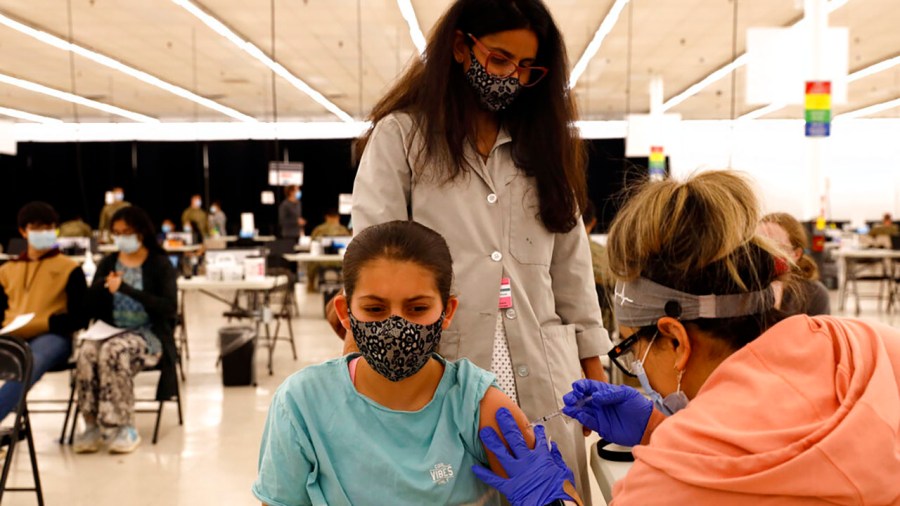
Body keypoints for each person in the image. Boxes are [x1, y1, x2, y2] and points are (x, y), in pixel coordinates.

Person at [480, 170, 900, 505]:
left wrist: (553, 498)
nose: (635, 367)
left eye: (630, 349)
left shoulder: (672, 482)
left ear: (676, 340)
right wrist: (660, 425)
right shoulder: (864, 343)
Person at [349, 0, 610, 497]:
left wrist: (592, 376)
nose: (511, 76)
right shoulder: (403, 139)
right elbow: (371, 262)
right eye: (499, 59)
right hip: (443, 368)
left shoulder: (544, 149)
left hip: (544, 372)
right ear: (460, 47)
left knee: (552, 495)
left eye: (527, 68)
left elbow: (572, 274)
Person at [252, 221, 580, 506]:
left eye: (417, 308)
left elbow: (563, 497)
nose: (396, 327)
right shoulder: (303, 404)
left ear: (447, 311)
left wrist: (552, 499)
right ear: (344, 312)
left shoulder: (475, 404)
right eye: (375, 309)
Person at [74, 206, 177, 454]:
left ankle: (123, 425)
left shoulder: (159, 264)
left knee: (114, 350)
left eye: (127, 232)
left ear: (141, 232)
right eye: (117, 232)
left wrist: (126, 289)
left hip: (149, 335)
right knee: (87, 351)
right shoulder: (108, 263)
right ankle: (91, 424)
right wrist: (99, 288)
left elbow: (169, 307)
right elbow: (89, 305)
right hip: (109, 329)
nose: (122, 237)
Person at [0, 202, 88, 420]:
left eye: (49, 228)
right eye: (37, 228)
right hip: (11, 335)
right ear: (23, 231)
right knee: (21, 357)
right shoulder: (7, 270)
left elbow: (80, 316)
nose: (44, 234)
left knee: (29, 361)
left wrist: (48, 323)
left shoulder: (70, 268)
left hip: (52, 337)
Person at [759, 212, 830, 315]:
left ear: (796, 254)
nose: (764, 253)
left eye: (774, 247)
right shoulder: (743, 289)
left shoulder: (815, 294)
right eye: (758, 245)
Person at [583, 201, 615, 332]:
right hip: (599, 326)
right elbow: (616, 284)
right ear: (593, 222)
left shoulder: (547, 253)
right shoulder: (604, 255)